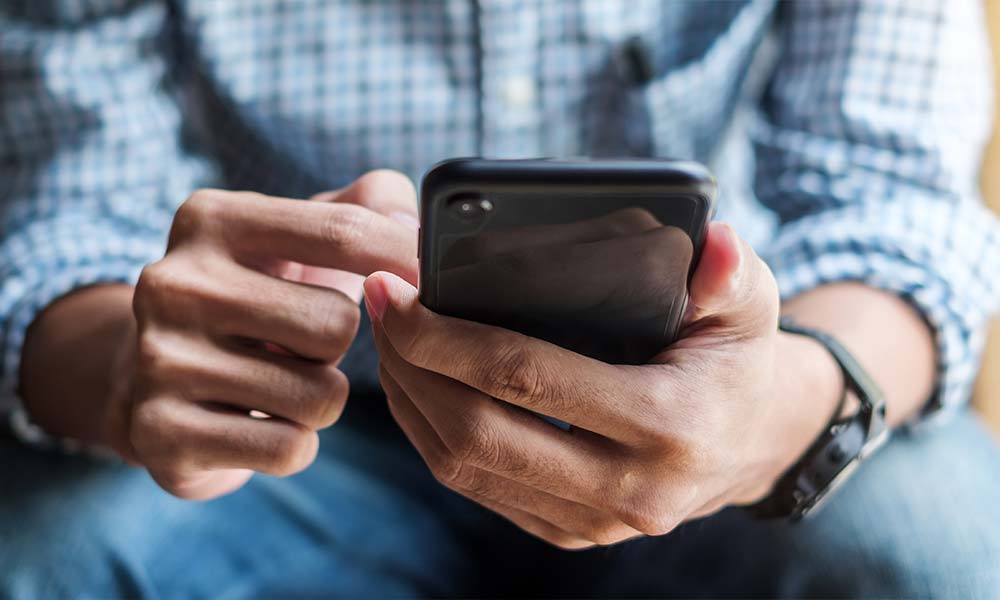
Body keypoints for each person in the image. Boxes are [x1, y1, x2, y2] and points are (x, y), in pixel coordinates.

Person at [2, 0, 1000, 597]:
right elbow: (64, 207)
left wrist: (786, 410)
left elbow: (892, 198)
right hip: (309, 428)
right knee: (47, 555)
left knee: (941, 547)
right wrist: (132, 372)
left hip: (720, 403)